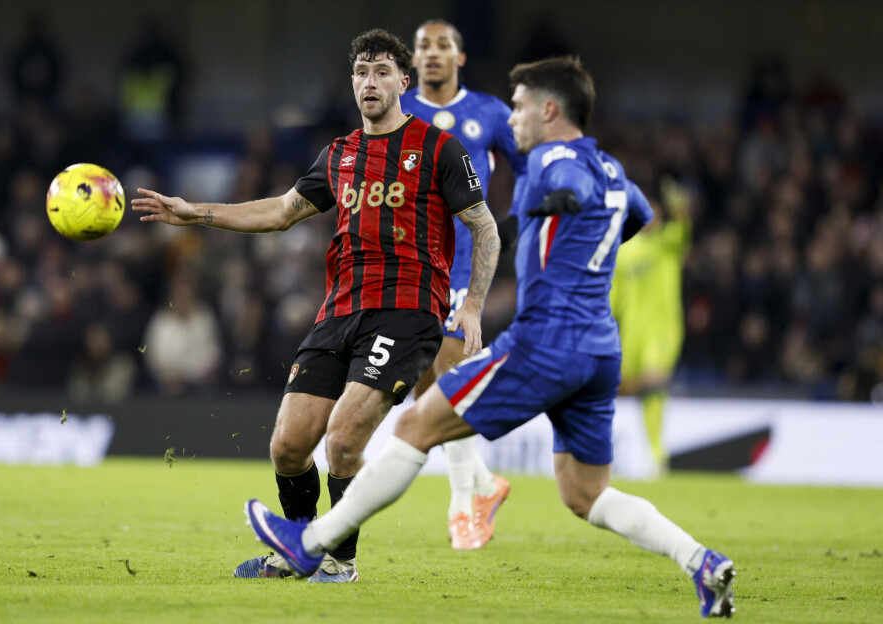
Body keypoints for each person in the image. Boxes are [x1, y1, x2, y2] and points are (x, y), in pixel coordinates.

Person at [244, 56, 737, 618]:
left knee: (414, 425)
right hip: (600, 347)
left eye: (522, 104)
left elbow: (565, 180)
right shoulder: (613, 170)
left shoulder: (556, 160)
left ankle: (308, 546)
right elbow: (639, 216)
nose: (514, 116)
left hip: (546, 342)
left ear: (550, 110)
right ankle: (700, 561)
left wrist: (562, 202)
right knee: (585, 495)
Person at [132, 29, 500, 583]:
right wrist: (196, 213)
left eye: (380, 72)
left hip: (407, 311)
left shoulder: (438, 148)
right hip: (340, 311)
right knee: (287, 447)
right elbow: (281, 212)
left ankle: (339, 560)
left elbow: (485, 228)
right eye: (360, 72)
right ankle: (296, 551)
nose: (369, 82)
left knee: (344, 440)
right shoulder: (341, 154)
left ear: (404, 81)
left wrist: (471, 306)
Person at [400, 19, 526, 550]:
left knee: (449, 367)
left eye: (442, 45)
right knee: (428, 385)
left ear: (460, 56)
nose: (432, 54)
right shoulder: (398, 108)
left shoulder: (491, 113)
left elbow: (530, 166)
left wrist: (516, 221)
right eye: (423, 46)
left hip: (462, 261)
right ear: (413, 58)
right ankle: (485, 482)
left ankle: (462, 509)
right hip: (407, 260)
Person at [611, 177, 692, 478]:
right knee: (625, 388)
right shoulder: (622, 252)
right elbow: (612, 298)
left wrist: (680, 205)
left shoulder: (668, 244)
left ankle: (658, 457)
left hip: (663, 329)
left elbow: (683, 229)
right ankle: (602, 451)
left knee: (653, 383)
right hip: (632, 334)